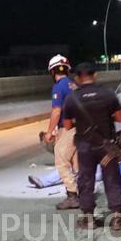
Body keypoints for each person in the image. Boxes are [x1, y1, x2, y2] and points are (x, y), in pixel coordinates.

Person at [63, 62, 121, 230]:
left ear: (77, 78)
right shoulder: (108, 94)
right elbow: (120, 118)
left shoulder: (72, 98)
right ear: (95, 75)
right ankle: (117, 218)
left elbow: (67, 126)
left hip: (85, 147)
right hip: (107, 147)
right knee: (112, 179)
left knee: (86, 180)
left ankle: (89, 219)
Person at [36, 54, 79, 209]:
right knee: (76, 164)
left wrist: (49, 133)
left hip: (68, 129)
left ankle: (73, 196)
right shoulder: (73, 85)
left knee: (61, 162)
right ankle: (83, 193)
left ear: (53, 72)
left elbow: (56, 111)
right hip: (80, 127)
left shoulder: (58, 87)